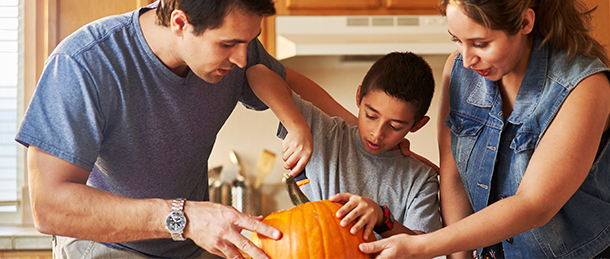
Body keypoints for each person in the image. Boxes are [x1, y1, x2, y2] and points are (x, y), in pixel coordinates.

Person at [15, 0, 357, 258]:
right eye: (227, 45)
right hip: (107, 246)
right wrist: (186, 216)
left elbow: (286, 82)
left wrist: (365, 134)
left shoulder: (237, 48)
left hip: (189, 244)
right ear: (180, 22)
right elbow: (49, 207)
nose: (242, 58)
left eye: (249, 42)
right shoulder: (84, 63)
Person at [359, 0, 610, 258]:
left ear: (525, 22)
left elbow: (534, 204)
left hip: (594, 251)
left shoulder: (584, 87)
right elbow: (453, 178)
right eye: (456, 40)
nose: (467, 58)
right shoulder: (460, 72)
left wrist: (420, 246)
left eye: (481, 43)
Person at [246, 52, 442, 241]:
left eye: (394, 126)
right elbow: (258, 74)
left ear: (417, 125)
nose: (377, 132)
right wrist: (296, 127)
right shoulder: (325, 133)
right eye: (371, 116)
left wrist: (382, 219)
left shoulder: (421, 178)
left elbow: (423, 247)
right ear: (359, 97)